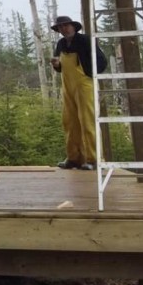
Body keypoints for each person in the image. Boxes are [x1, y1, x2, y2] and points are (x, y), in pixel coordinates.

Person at [49, 15, 106, 170]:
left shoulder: (85, 40)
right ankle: (74, 158)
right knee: (69, 121)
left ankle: (93, 160)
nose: (63, 29)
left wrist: (90, 74)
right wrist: (56, 65)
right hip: (67, 85)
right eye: (60, 27)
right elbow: (60, 67)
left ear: (73, 26)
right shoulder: (60, 43)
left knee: (87, 120)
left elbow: (101, 61)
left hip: (84, 84)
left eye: (66, 26)